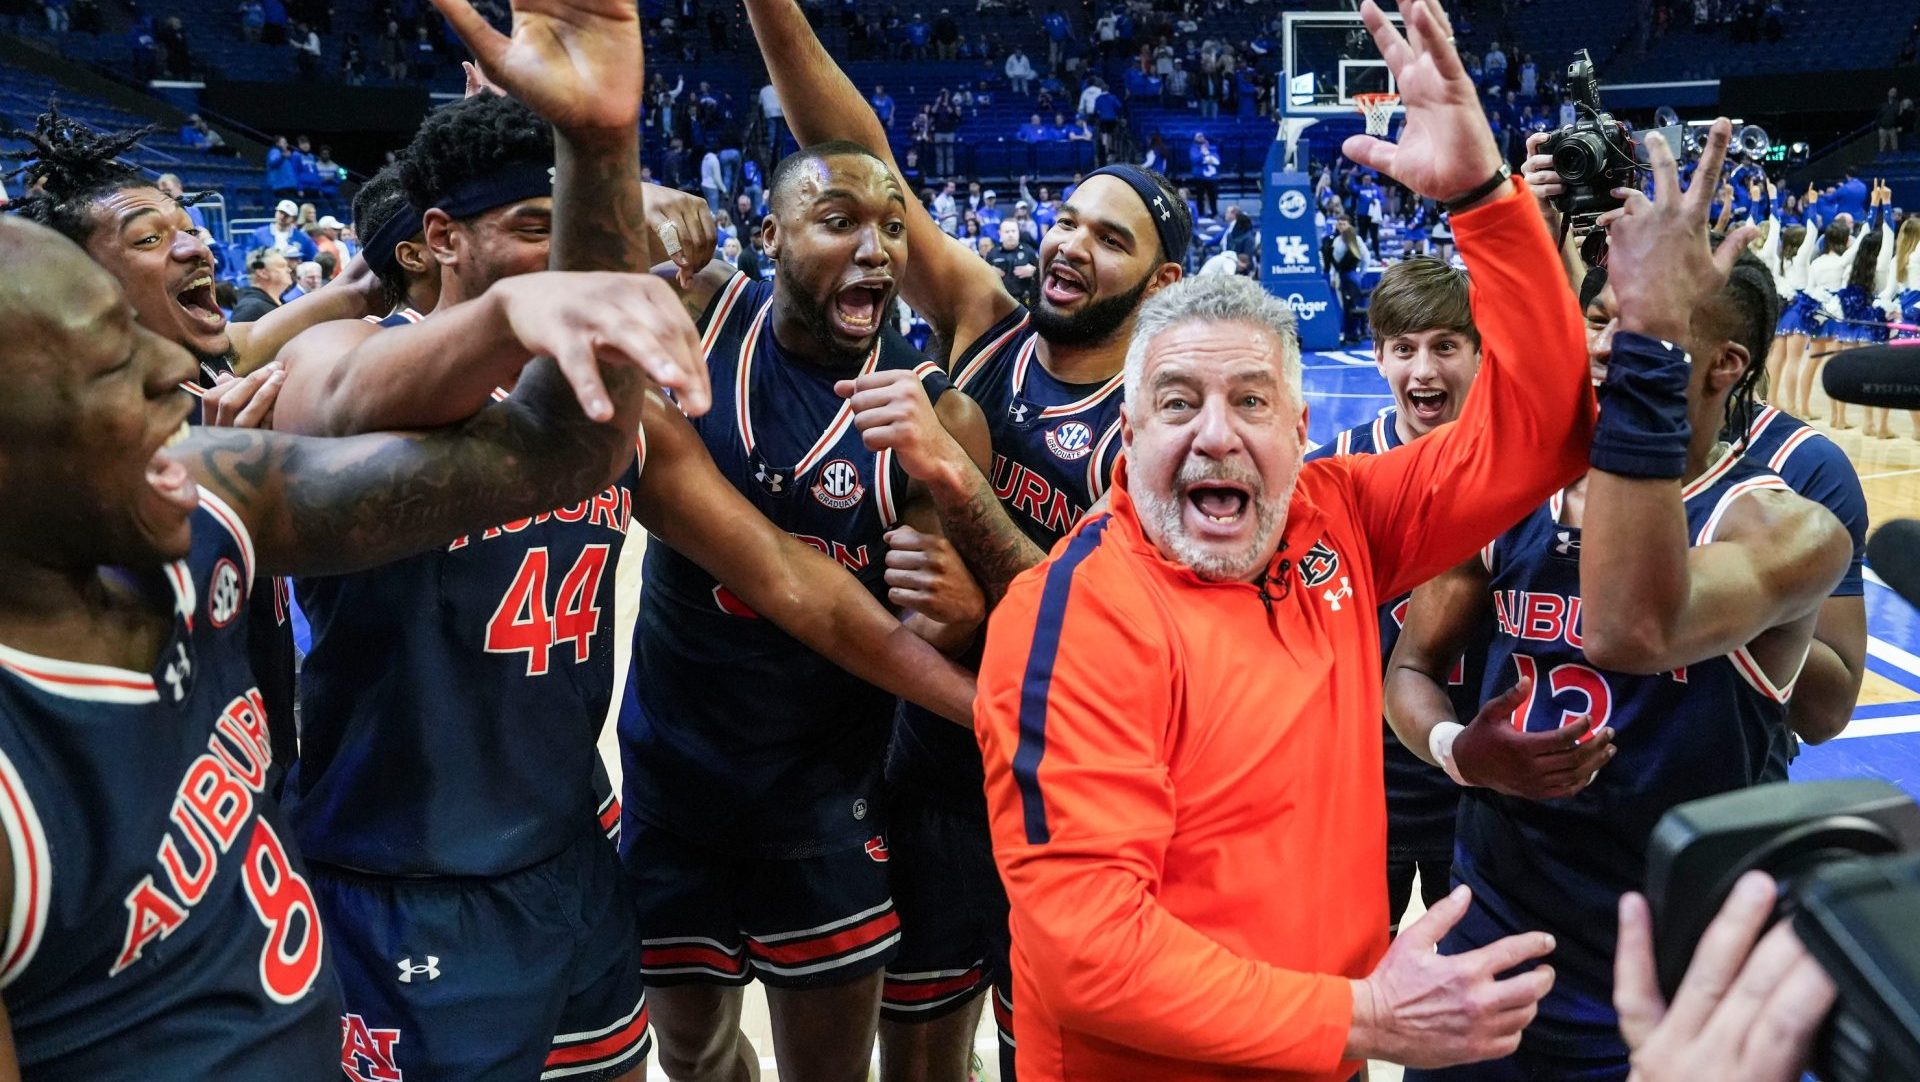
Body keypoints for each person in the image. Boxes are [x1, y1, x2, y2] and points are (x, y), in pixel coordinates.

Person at [272, 32, 973, 1082]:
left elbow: (797, 585)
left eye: (568, 235)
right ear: (440, 239)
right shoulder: (337, 357)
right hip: (402, 873)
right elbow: (335, 394)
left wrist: (990, 710)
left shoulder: (610, 410)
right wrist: (517, 304)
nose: (559, 260)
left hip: (573, 854)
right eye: (529, 231)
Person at [973, 0, 1608, 1068]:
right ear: (1129, 428)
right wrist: (1363, 1018)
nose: (1217, 436)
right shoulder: (1072, 618)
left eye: (1252, 403)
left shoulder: (1336, 514)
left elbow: (1545, 429)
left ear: (1302, 428)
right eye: (1178, 403)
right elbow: (1089, 951)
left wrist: (1483, 201)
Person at [0, 180, 684, 1074]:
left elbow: (552, 454)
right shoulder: (234, 445)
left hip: (507, 857)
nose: (169, 370)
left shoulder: (207, 477)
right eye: (109, 361)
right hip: (394, 866)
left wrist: (590, 171)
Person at [739, 0, 1194, 1073]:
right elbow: (862, 161)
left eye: (1110, 239)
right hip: (934, 766)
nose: (1070, 245)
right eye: (1068, 220)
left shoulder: (1163, 427)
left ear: (1163, 283)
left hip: (1072, 789)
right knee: (920, 1047)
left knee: (1059, 1048)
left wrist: (987, 606)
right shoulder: (990, 324)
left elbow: (1125, 639)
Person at [1387, 122, 1851, 1082]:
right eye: (1599, 318)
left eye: (1639, 324)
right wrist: (1459, 750)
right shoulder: (1511, 494)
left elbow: (1630, 629)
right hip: (1492, 946)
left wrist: (1649, 346)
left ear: (1724, 364)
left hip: (1665, 979)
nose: (1607, 343)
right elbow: (1412, 668)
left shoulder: (1785, 526)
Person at [620, 140, 991, 1082]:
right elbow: (548, 234)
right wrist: (644, 193)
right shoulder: (697, 313)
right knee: (692, 1055)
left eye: (894, 227)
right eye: (839, 222)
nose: (877, 249)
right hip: (672, 774)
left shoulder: (934, 415)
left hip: (825, 793)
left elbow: (940, 625)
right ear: (769, 234)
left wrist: (958, 614)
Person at [1305, 257, 1486, 934]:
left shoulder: (1522, 480)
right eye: (1404, 349)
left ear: (1481, 352)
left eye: (1446, 346)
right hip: (1358, 788)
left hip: (1482, 791)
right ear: (1377, 356)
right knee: (1351, 975)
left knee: (1477, 976)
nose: (1424, 370)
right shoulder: (1329, 476)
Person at [988, 218, 1040, 308]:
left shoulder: (1029, 251)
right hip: (1000, 303)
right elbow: (983, 279)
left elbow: (1043, 275)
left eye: (1013, 231)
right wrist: (990, 273)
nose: (1010, 234)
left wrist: (1034, 271)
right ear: (1000, 233)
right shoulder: (992, 253)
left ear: (1018, 232)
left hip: (1025, 302)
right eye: (1007, 232)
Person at [232, 247, 291, 322]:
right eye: (282, 266)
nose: (289, 270)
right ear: (263, 273)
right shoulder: (251, 308)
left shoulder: (277, 303)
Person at [250, 198, 318, 262]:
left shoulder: (303, 238)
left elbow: (313, 258)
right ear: (276, 212)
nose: (282, 217)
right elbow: (250, 257)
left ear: (294, 218)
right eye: (280, 212)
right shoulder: (259, 234)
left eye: (286, 215)